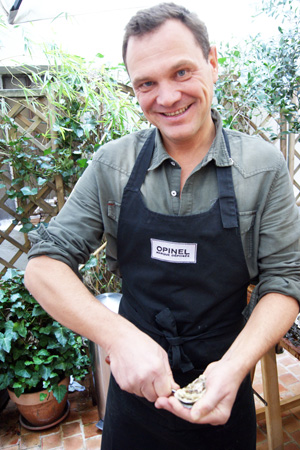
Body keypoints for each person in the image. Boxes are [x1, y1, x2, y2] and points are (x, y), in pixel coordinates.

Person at [25, 3, 300, 449]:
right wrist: (117, 336)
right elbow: (43, 265)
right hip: (135, 399)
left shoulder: (261, 168)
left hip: (225, 383)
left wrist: (235, 367)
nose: (167, 97)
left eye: (182, 72)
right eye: (147, 83)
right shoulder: (112, 164)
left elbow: (286, 280)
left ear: (212, 63)